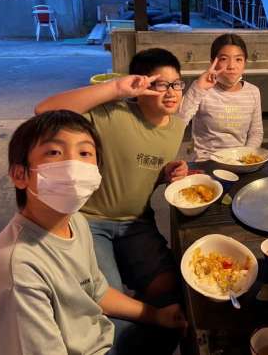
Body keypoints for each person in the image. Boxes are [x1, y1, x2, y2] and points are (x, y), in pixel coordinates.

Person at [0, 110, 187, 355]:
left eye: (84, 153)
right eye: (54, 152)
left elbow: (96, 291)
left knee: (178, 314)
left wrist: (157, 316)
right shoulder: (19, 274)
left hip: (97, 333)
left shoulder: (76, 221)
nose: (74, 166)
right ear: (20, 175)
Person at [35, 49, 188, 318]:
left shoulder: (176, 128)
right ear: (140, 87)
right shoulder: (112, 114)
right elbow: (44, 111)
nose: (171, 92)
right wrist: (116, 88)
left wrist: (168, 173)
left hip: (137, 222)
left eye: (176, 84)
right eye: (160, 85)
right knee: (106, 303)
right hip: (91, 221)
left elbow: (145, 166)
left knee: (169, 289)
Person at [179, 33, 263, 161]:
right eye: (224, 59)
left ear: (245, 63)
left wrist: (246, 157)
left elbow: (256, 132)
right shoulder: (203, 90)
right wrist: (198, 88)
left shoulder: (253, 92)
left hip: (239, 162)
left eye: (238, 59)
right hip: (205, 162)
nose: (231, 66)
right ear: (213, 62)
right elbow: (178, 122)